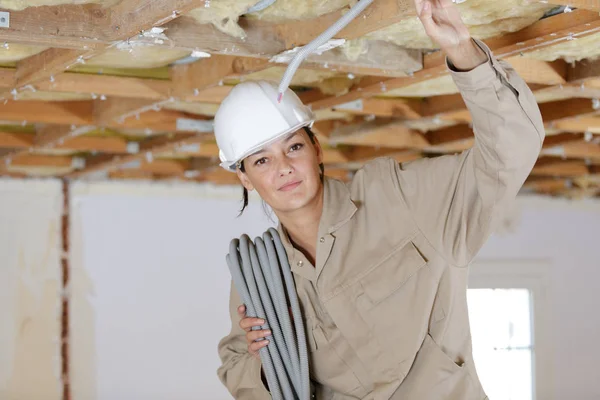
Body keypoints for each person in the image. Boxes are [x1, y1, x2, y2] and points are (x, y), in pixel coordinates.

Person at [214, 0, 545, 398]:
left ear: (317, 149)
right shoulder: (262, 275)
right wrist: (263, 362)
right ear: (245, 177)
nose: (283, 167)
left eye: (294, 147)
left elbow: (511, 151)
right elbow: (236, 368)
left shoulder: (399, 199)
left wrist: (463, 52)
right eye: (262, 160)